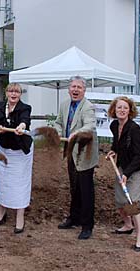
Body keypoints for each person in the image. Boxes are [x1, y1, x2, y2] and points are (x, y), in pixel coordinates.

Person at [53, 76, 99, 240]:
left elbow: (90, 126)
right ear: (68, 89)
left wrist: (76, 133)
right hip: (71, 152)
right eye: (73, 87)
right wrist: (58, 132)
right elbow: (59, 122)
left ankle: (87, 226)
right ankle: (74, 218)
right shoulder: (65, 105)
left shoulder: (88, 107)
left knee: (86, 191)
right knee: (74, 187)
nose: (75, 90)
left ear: (84, 90)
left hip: (84, 153)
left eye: (79, 87)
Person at [0, 83, 33, 234]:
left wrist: (21, 126)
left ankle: (20, 217)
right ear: (6, 93)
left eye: (17, 92)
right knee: (3, 181)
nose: (13, 94)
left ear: (20, 94)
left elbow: (24, 120)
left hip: (20, 151)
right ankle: (2, 212)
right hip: (3, 149)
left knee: (20, 183)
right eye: (11, 91)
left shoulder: (25, 107)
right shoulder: (0, 106)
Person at [106, 96, 140, 252]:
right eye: (119, 107)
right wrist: (113, 150)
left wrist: (128, 173)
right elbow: (118, 143)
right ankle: (128, 225)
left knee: (134, 203)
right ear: (114, 110)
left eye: (125, 108)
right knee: (120, 200)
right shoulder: (114, 125)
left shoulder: (134, 129)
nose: (122, 110)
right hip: (123, 166)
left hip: (138, 169)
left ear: (130, 111)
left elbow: (139, 155)